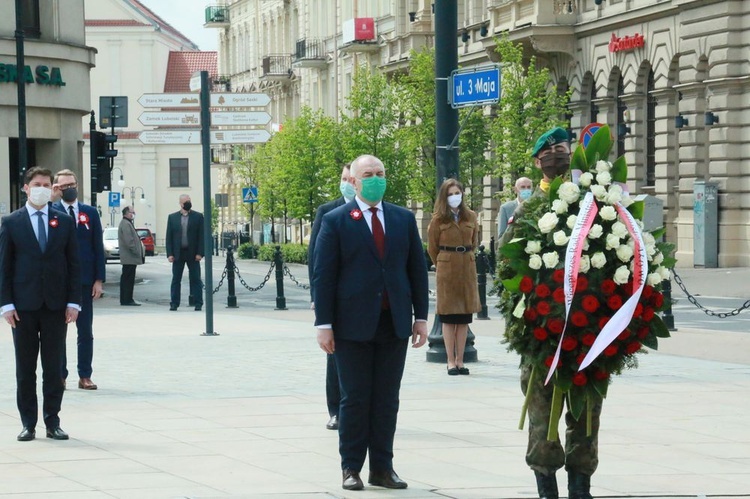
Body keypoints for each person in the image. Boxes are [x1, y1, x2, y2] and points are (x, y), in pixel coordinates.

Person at [313, 154, 429, 492]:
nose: (376, 178)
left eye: (380, 172)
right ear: (354, 181)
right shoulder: (336, 220)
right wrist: (324, 323)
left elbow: (416, 271)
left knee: (386, 399)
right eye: (368, 174)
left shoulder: (402, 219)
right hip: (350, 326)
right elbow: (324, 275)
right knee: (355, 398)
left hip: (392, 323)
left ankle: (383, 467)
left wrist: (420, 317)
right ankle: (351, 467)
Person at [501, 127, 600, 499]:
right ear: (537, 161)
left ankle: (581, 486)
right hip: (543, 331)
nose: (557, 156)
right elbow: (506, 261)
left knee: (587, 412)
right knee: (542, 415)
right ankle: (546, 485)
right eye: (550, 151)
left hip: (586, 329)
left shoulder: (591, 203)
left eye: (563, 149)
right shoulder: (527, 209)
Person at [0, 166, 81, 441]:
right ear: (26, 188)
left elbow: (73, 264)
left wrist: (74, 302)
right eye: (37, 184)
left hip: (56, 305)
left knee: (53, 367)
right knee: (25, 368)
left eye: (47, 184)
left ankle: (52, 421)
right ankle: (28, 423)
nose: (42, 189)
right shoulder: (11, 222)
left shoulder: (64, 221)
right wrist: (6, 304)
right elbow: (4, 268)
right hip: (22, 307)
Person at [308, 163, 355, 431]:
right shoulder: (327, 211)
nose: (346, 182)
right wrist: (317, 295)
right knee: (333, 354)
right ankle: (335, 410)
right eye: (343, 178)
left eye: (350, 178)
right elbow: (315, 257)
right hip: (334, 297)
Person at [52, 169, 105, 390]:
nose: (69, 189)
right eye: (63, 186)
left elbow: (97, 247)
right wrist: (52, 198)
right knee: (57, 332)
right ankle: (60, 374)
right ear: (57, 188)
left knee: (85, 331)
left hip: (84, 280)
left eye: (71, 184)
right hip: (58, 281)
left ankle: (85, 375)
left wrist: (99, 280)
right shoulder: (50, 211)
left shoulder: (89, 212)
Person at [427, 179, 481, 376]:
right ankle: (450, 360)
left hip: (466, 266)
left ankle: (461, 360)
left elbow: (475, 241)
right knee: (449, 319)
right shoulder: (438, 220)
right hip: (447, 268)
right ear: (444, 197)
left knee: (464, 318)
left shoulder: (471, 216)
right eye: (450, 194)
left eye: (457, 192)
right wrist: (444, 261)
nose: (454, 197)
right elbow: (432, 248)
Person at [165, 195, 204, 311]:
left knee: (196, 279)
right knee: (176, 279)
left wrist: (200, 253)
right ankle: (174, 303)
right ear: (181, 204)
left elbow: (201, 236)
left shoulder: (198, 217)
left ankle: (198, 303)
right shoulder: (173, 218)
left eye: (190, 201)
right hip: (178, 253)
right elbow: (169, 237)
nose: (188, 203)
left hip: (193, 254)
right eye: (186, 201)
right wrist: (170, 254)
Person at [118, 206, 144, 306]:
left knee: (128, 278)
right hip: (129, 257)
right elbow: (129, 241)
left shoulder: (127, 223)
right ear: (126, 213)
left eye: (133, 212)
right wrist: (136, 251)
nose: (133, 214)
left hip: (130, 257)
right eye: (131, 212)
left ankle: (126, 299)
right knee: (128, 279)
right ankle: (127, 299)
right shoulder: (125, 224)